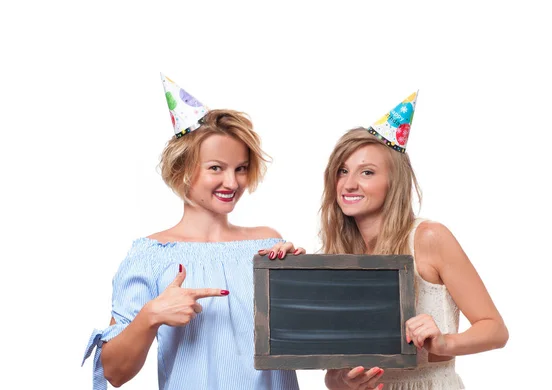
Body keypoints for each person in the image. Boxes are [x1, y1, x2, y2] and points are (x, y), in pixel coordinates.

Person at [81, 74, 303, 390]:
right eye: (216, 168)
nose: (233, 182)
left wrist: (303, 282)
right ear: (183, 170)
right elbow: (115, 373)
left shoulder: (268, 244)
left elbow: (304, 337)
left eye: (240, 168)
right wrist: (150, 316)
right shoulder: (151, 254)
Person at [285, 92, 509, 390]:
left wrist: (443, 342)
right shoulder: (338, 254)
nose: (349, 184)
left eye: (367, 172)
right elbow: (333, 374)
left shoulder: (429, 238)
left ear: (394, 182)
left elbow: (495, 330)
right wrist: (345, 381)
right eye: (342, 171)